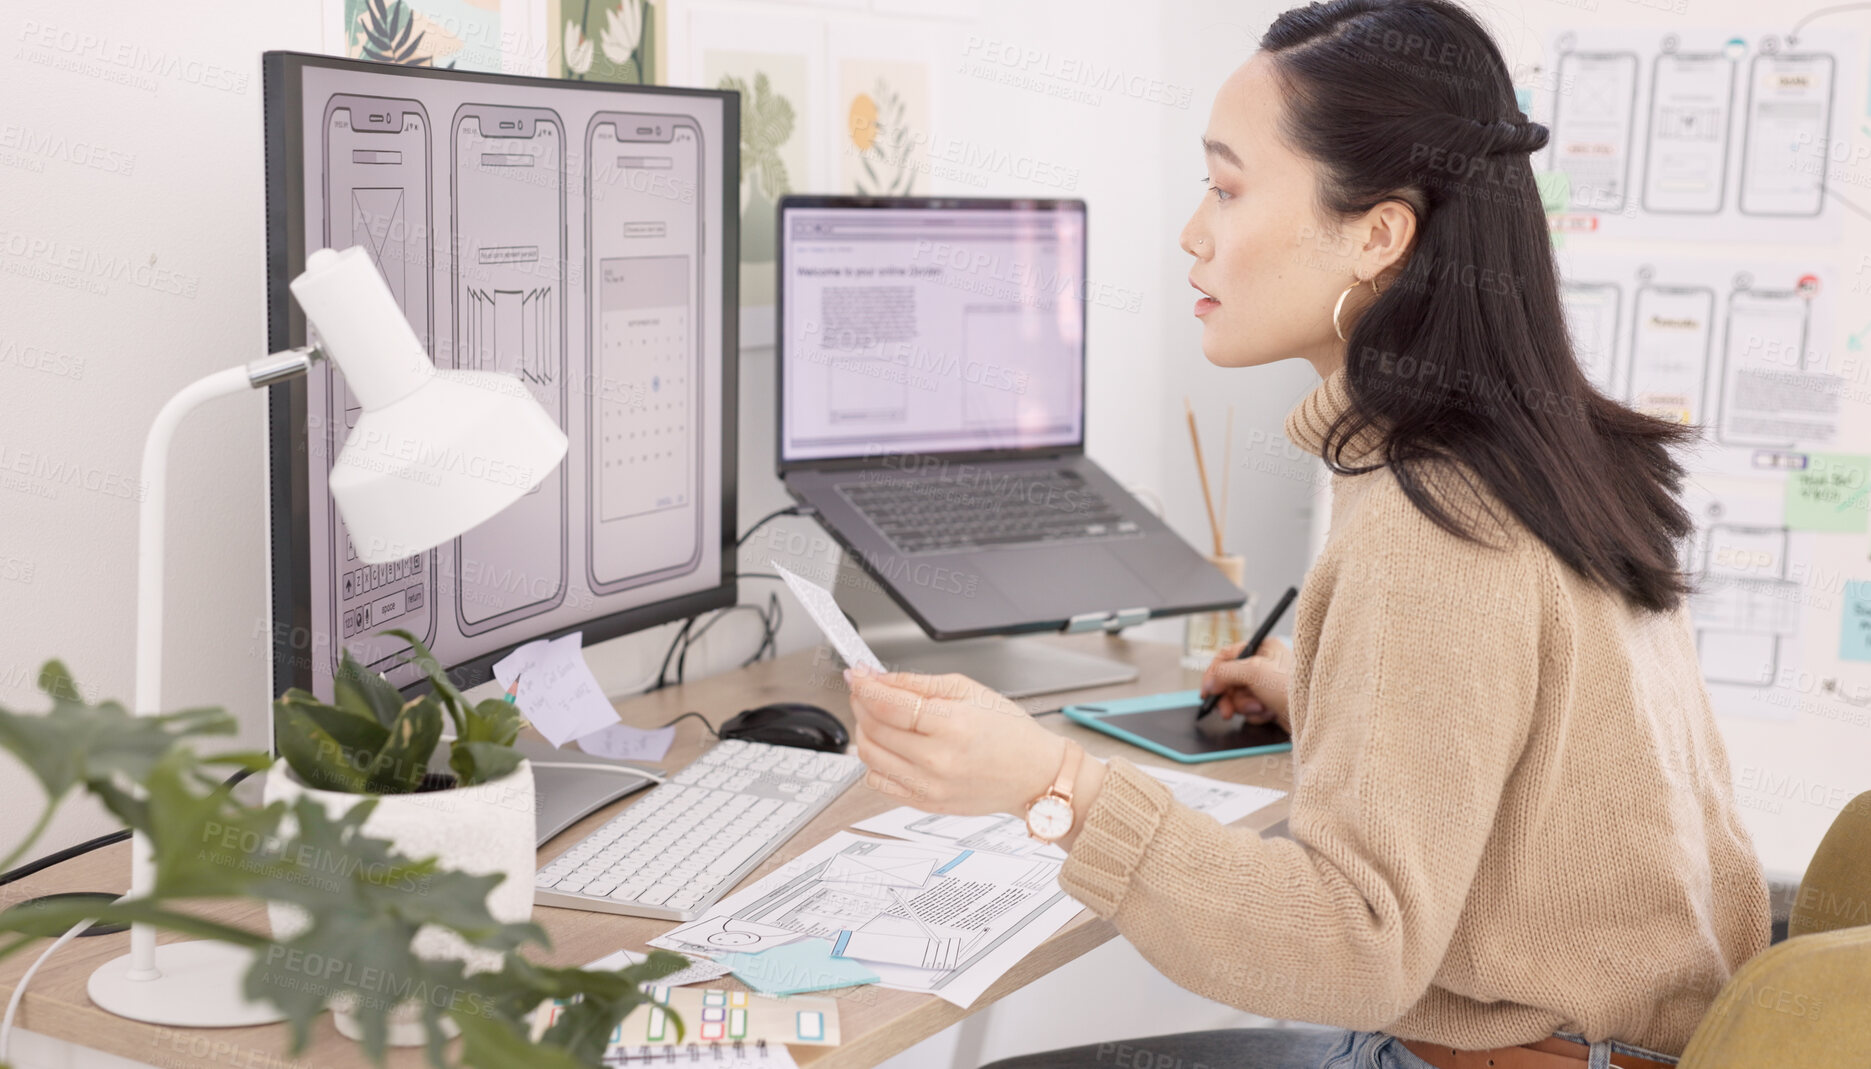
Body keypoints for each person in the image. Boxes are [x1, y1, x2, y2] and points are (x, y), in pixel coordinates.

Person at [841, 1, 1771, 1067]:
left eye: (1227, 187)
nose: (1193, 231)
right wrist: (1334, 693)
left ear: (1376, 233)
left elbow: (1353, 945)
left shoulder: (1432, 521)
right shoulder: (1545, 450)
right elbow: (1552, 746)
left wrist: (1048, 785)